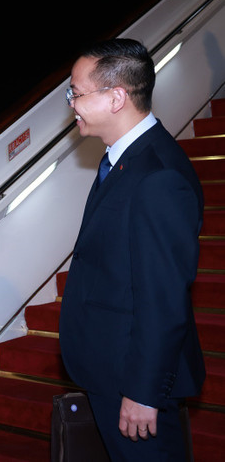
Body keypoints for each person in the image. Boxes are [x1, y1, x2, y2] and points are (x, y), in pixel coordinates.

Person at [59, 38, 205, 460]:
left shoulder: (158, 175)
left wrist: (143, 392)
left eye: (77, 93)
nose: (72, 103)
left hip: (133, 383)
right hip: (110, 370)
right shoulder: (122, 159)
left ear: (117, 97)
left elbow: (163, 298)